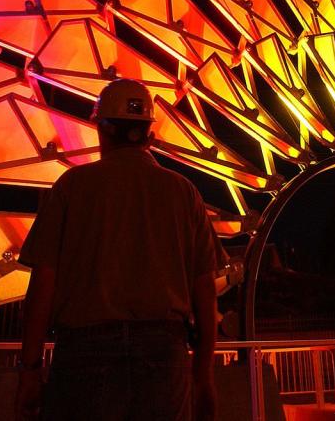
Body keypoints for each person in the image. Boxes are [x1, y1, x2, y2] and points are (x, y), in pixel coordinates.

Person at [16, 78, 219, 421]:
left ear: (102, 130)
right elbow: (205, 291)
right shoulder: (184, 193)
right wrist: (203, 376)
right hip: (164, 352)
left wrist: (30, 370)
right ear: (150, 135)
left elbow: (43, 283)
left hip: (84, 351)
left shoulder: (72, 187)